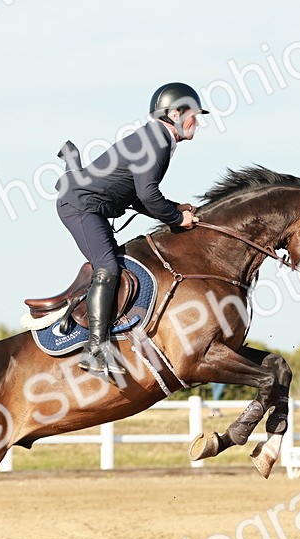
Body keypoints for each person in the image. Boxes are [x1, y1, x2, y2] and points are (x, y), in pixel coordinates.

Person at [55, 82, 209, 380]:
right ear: (175, 113)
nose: (197, 122)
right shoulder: (158, 142)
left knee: (118, 264)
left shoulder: (155, 138)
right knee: (109, 266)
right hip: (82, 207)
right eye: (193, 115)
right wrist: (177, 219)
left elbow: (138, 196)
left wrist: (177, 208)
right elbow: (149, 196)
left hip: (91, 206)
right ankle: (96, 349)